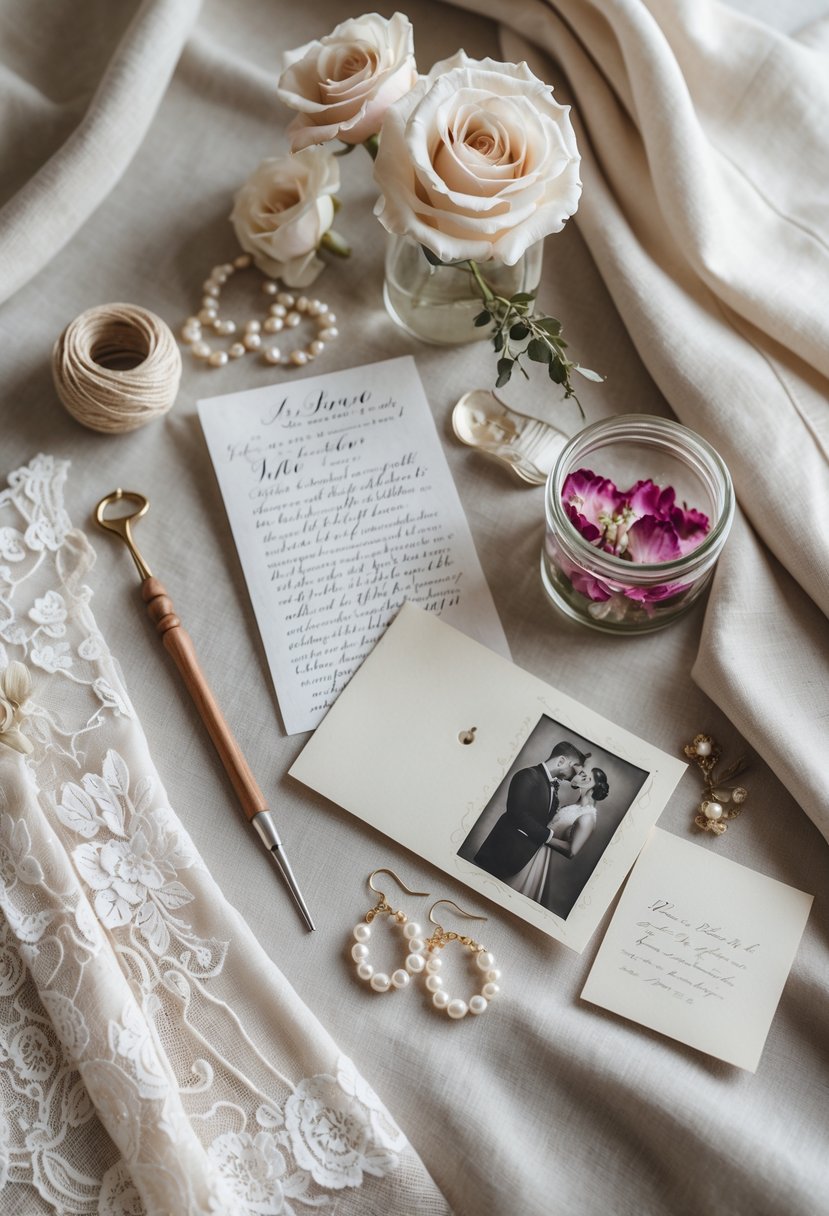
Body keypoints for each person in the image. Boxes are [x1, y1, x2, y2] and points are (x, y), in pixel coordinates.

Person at [474, 741, 589, 881]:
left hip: (516, 861)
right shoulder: (527, 775)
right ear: (561, 761)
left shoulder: (553, 787)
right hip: (497, 854)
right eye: (574, 769)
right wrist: (549, 837)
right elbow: (517, 815)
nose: (573, 776)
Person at [507, 765, 610, 903]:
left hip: (539, 857)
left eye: (584, 775)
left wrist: (542, 836)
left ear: (591, 785)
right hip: (527, 850)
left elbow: (571, 851)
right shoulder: (573, 806)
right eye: (581, 773)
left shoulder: (588, 817)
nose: (578, 776)